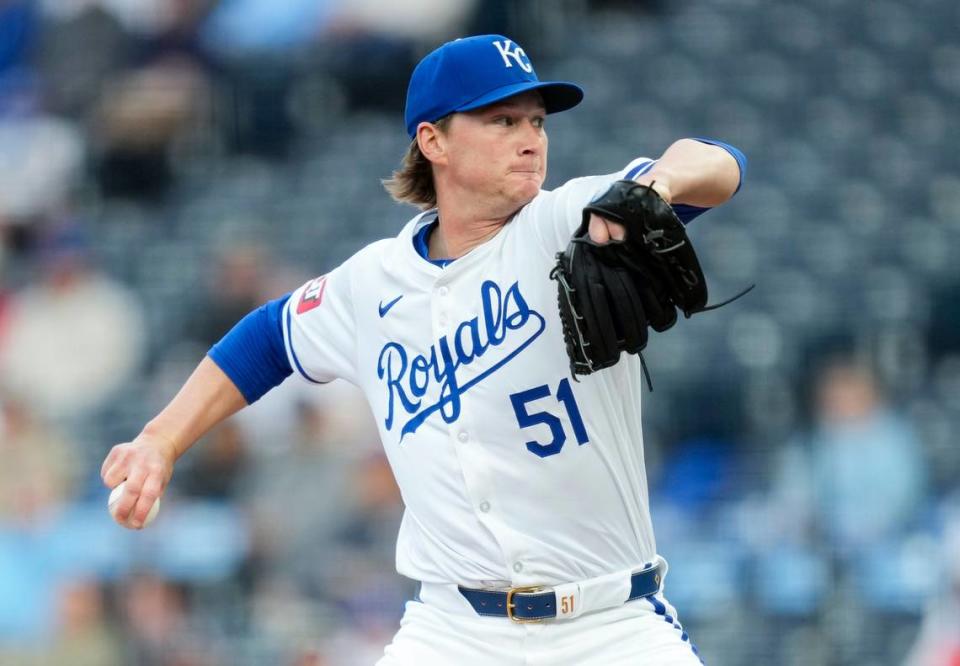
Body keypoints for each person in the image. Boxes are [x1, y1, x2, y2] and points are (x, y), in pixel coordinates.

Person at [101, 34, 746, 664]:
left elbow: (719, 163)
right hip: (454, 629)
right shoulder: (371, 283)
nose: (530, 137)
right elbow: (267, 338)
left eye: (536, 121)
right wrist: (161, 440)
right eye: (501, 119)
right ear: (432, 140)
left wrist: (654, 188)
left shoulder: (571, 219)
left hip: (611, 624)